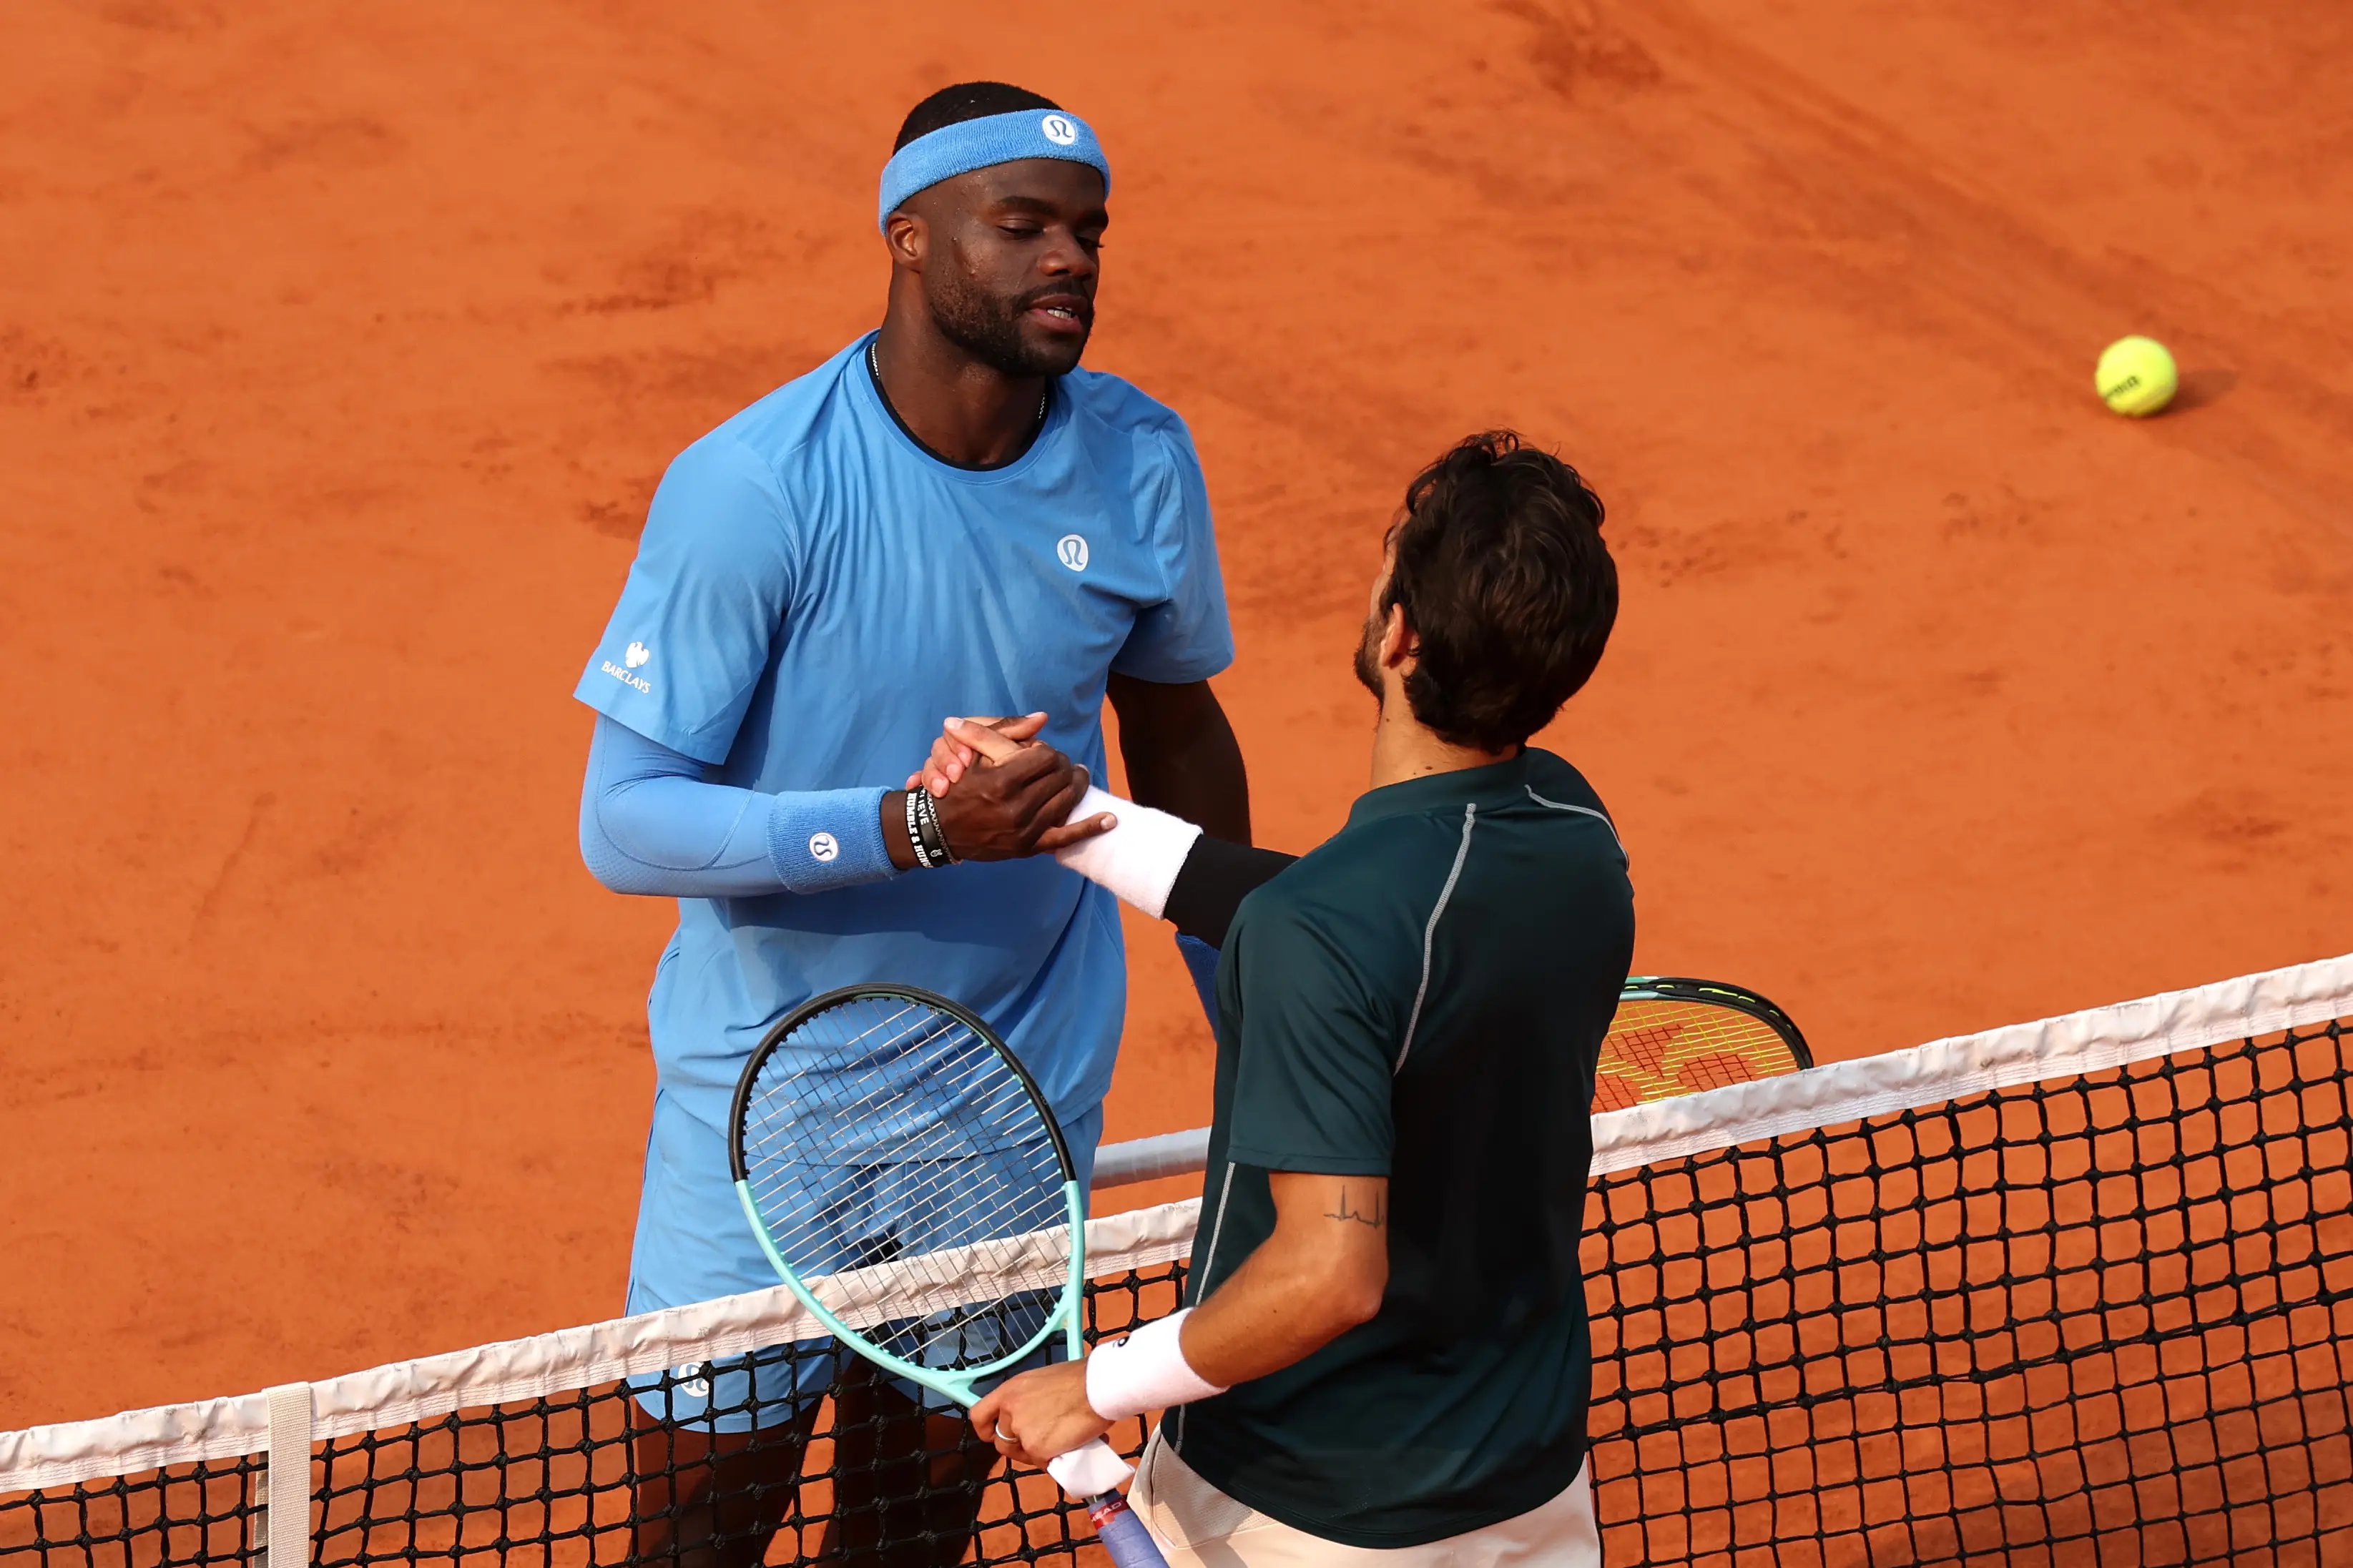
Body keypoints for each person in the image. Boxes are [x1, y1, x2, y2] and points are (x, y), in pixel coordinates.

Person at [571, 80, 1248, 1568]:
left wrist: (1245, 1002)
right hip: (759, 1118)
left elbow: (1180, 729)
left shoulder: (1138, 461)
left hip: (1008, 1106)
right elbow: (621, 825)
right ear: (908, 238)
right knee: (699, 1532)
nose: (1068, 259)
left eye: (1087, 231)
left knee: (909, 1530)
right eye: (1022, 227)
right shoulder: (754, 490)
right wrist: (911, 828)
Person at [958, 430, 1631, 1564]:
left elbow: (1327, 1273)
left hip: (1306, 1518)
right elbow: (1338, 919)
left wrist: (1098, 1387)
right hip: (1531, 1495)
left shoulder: (1323, 931)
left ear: (1397, 632)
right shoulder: (1573, 832)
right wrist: (1073, 819)